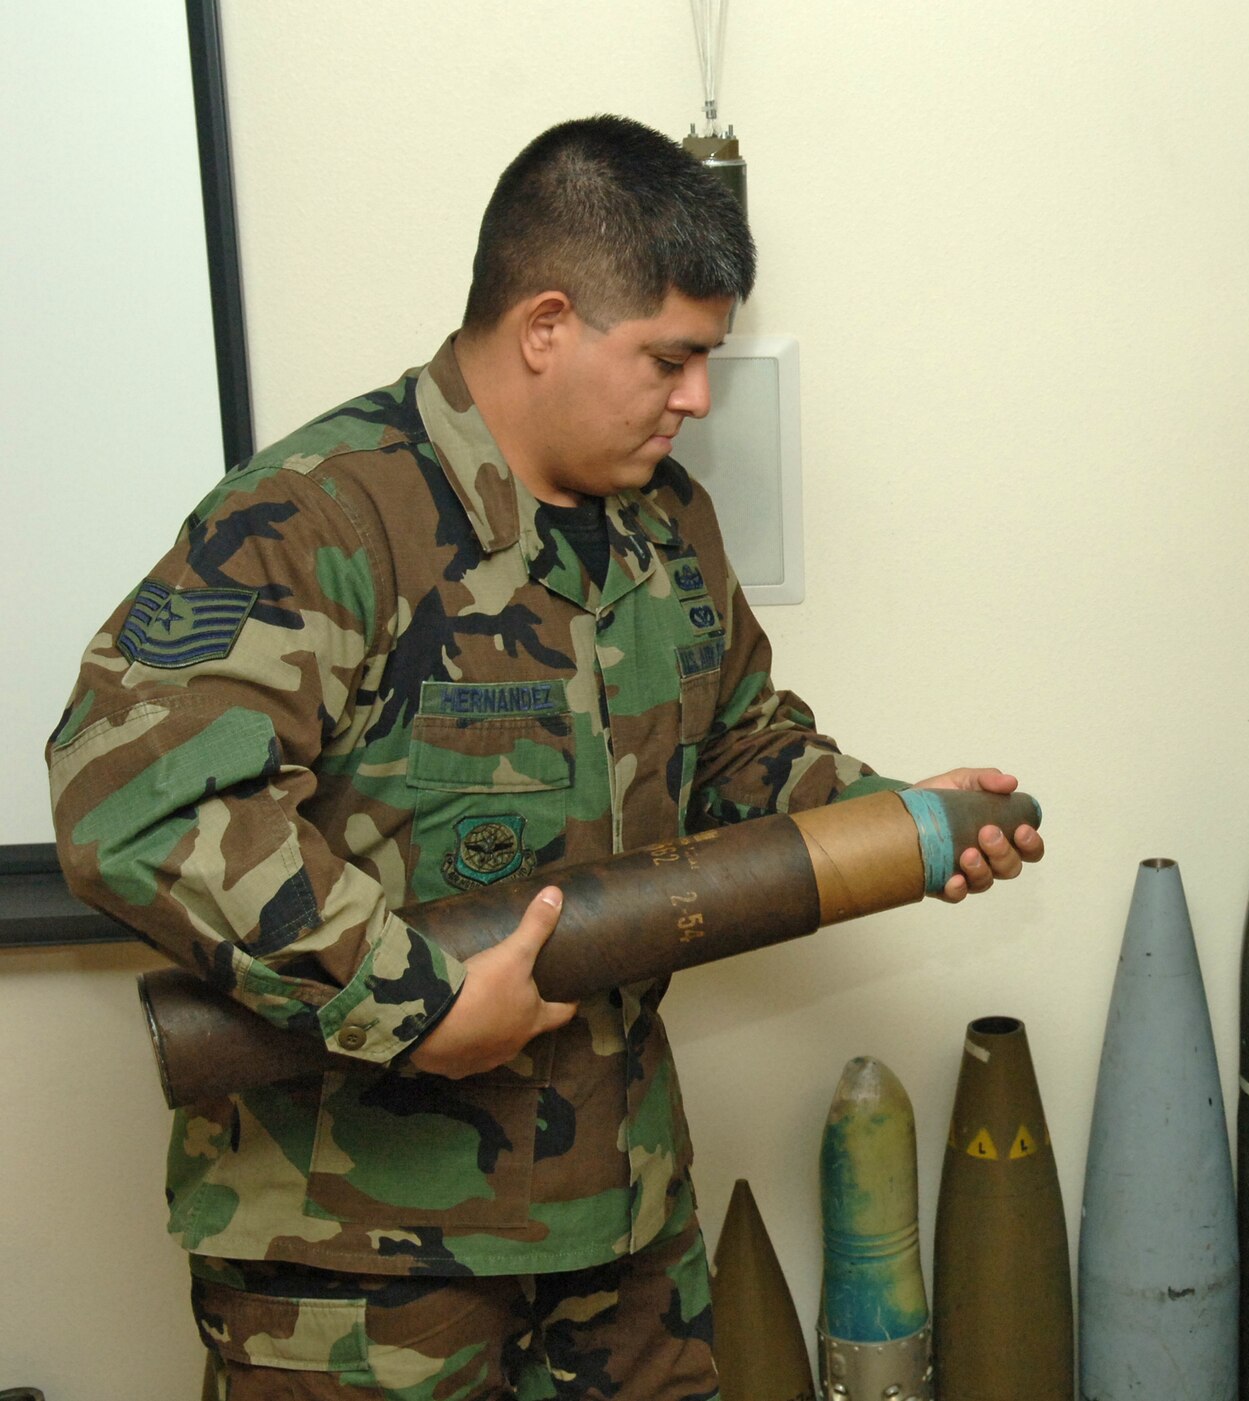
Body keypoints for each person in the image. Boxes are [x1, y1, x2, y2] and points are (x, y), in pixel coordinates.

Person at [47, 115, 1041, 1400]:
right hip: (362, 1277)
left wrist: (890, 816)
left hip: (619, 1228)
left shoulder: (666, 524)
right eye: (671, 359)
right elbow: (131, 802)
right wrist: (417, 1003)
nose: (696, 400)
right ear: (546, 324)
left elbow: (738, 743)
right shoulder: (319, 520)